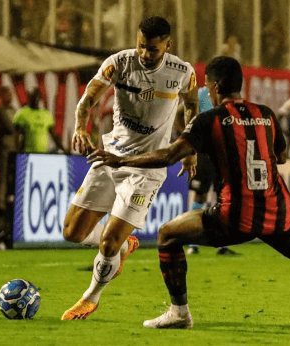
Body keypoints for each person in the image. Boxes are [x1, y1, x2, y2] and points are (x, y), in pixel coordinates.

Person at [88, 56, 290, 337]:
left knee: (168, 234)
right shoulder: (267, 114)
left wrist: (122, 160)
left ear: (216, 86)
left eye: (207, 84)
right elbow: (281, 157)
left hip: (234, 217)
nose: (207, 89)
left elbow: (168, 155)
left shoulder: (210, 120)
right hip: (280, 216)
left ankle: (179, 312)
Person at [60, 16, 199, 320]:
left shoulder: (182, 73)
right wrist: (80, 128)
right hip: (110, 157)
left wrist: (190, 151)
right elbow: (87, 100)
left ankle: (90, 297)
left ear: (167, 45)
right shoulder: (119, 63)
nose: (145, 54)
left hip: (146, 168)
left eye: (152, 48)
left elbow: (191, 106)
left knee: (109, 242)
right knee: (71, 232)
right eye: (141, 46)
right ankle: (125, 246)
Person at [184, 87, 237, 256]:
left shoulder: (229, 96)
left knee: (223, 196)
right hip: (205, 154)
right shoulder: (200, 94)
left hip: (223, 153)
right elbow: (181, 112)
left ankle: (221, 244)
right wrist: (190, 138)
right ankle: (193, 242)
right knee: (201, 195)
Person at [12, 87, 66, 154]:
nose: (35, 99)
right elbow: (16, 135)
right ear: (29, 97)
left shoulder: (46, 114)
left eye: (37, 97)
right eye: (33, 96)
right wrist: (18, 153)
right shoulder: (21, 113)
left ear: (40, 98)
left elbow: (54, 136)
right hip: (27, 153)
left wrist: (63, 149)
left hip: (43, 154)